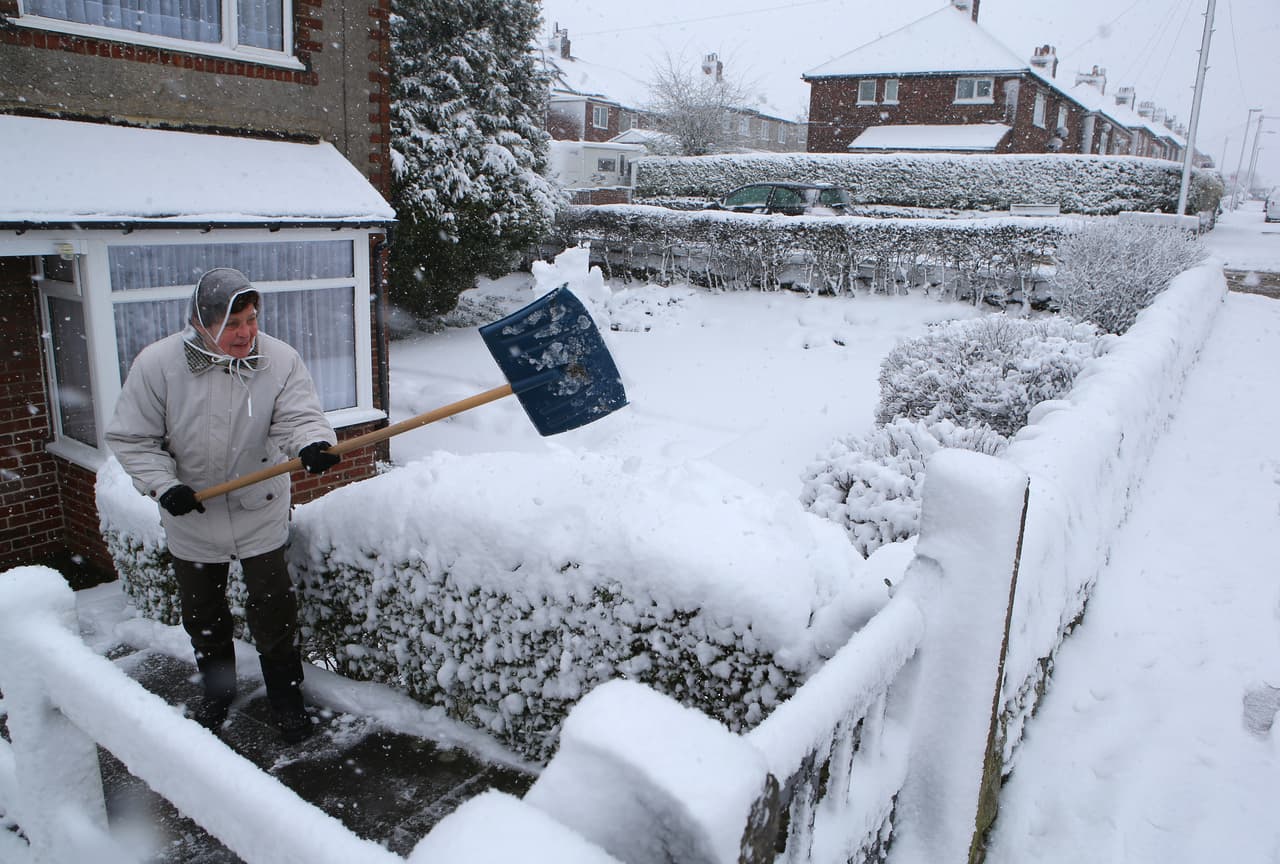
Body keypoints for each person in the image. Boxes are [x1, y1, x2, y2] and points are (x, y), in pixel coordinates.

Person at [106, 267, 341, 744]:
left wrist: (311, 443)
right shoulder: (158, 365)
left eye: (251, 320)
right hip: (193, 514)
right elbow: (134, 439)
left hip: (260, 509)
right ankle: (217, 691)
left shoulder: (279, 360)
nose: (246, 333)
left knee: (274, 613)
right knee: (203, 615)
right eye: (233, 324)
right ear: (201, 322)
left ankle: (286, 698)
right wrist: (161, 484)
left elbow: (298, 416)